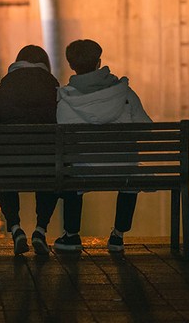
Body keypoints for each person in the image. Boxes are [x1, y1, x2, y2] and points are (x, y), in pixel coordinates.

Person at [53, 39, 152, 253]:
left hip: (83, 170)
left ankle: (72, 235)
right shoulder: (124, 92)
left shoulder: (64, 98)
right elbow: (146, 127)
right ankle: (118, 236)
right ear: (99, 62)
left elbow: (61, 138)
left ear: (71, 65)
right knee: (129, 171)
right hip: (123, 168)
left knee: (69, 172)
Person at [0, 44, 60, 255]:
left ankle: (16, 229)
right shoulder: (52, 85)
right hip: (46, 164)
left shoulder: (5, 86)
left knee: (1, 169)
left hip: (9, 165)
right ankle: (40, 230)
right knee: (52, 169)